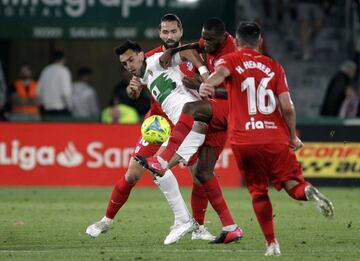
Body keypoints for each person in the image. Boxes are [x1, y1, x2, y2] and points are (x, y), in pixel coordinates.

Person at [199, 21, 334, 256]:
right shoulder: (274, 66)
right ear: (260, 42)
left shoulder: (230, 59)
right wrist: (292, 137)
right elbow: (288, 108)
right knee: (294, 185)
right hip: (275, 138)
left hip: (245, 140)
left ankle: (272, 244)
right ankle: (308, 190)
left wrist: (207, 85)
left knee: (258, 192)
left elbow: (218, 75)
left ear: (237, 42)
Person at [86, 14, 207, 245]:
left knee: (199, 175)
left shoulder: (193, 57)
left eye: (173, 31)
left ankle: (198, 227)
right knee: (133, 172)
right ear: (159, 33)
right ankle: (107, 220)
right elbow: (135, 92)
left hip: (186, 120)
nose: (169, 35)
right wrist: (133, 89)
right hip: (159, 125)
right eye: (165, 32)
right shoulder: (150, 59)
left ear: (180, 31)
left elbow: (205, 86)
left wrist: (201, 83)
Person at [143, 17, 243, 243]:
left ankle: (164, 158)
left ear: (224, 37)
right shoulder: (209, 41)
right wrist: (174, 50)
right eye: (204, 38)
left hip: (228, 109)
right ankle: (230, 227)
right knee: (202, 174)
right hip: (216, 118)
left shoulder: (232, 56)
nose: (205, 44)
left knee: (191, 107)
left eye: (209, 41)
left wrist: (201, 86)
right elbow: (195, 46)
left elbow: (238, 93)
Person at [36, 50, 73, 118]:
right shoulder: (64, 71)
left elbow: (38, 92)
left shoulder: (46, 70)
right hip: (60, 110)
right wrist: (70, 107)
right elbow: (65, 93)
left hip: (46, 110)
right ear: (63, 59)